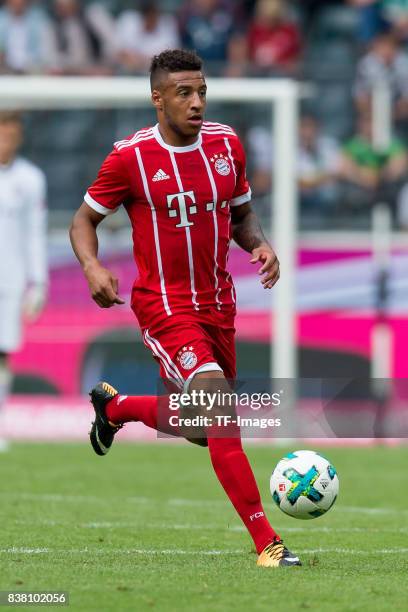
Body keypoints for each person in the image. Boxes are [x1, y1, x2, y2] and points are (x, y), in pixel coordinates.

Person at [70, 49, 301, 568]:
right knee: (221, 411)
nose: (196, 102)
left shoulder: (226, 144)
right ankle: (268, 543)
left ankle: (115, 407)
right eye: (183, 93)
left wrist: (259, 245)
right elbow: (83, 221)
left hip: (219, 307)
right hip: (165, 307)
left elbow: (242, 215)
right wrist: (91, 266)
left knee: (202, 426)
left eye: (201, 92)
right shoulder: (130, 158)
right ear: (158, 98)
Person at [0, 112, 48, 451]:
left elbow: (34, 234)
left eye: (12, 133)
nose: (7, 139)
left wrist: (39, 283)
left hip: (9, 280)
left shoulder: (30, 178)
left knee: (2, 354)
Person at [338, 112, 407, 212]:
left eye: (372, 123)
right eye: (365, 123)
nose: (369, 127)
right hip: (358, 188)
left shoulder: (391, 143)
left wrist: (378, 175)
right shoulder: (350, 146)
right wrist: (364, 177)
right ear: (359, 125)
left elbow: (399, 163)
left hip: (385, 187)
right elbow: (345, 168)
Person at [48, 0, 116, 75]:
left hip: (98, 72)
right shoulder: (52, 25)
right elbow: (52, 59)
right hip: (69, 76)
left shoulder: (94, 15)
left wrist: (104, 66)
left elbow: (113, 45)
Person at [115, 1, 180, 75]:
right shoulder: (128, 20)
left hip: (159, 74)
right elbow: (121, 54)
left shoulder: (168, 23)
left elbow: (172, 55)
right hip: (130, 73)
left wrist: (142, 61)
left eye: (154, 14)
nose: (151, 18)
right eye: (148, 15)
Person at [0, 0, 55, 74]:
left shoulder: (39, 19)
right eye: (14, 3)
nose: (17, 6)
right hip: (5, 67)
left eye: (21, 3)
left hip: (33, 66)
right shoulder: (1, 19)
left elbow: (45, 47)